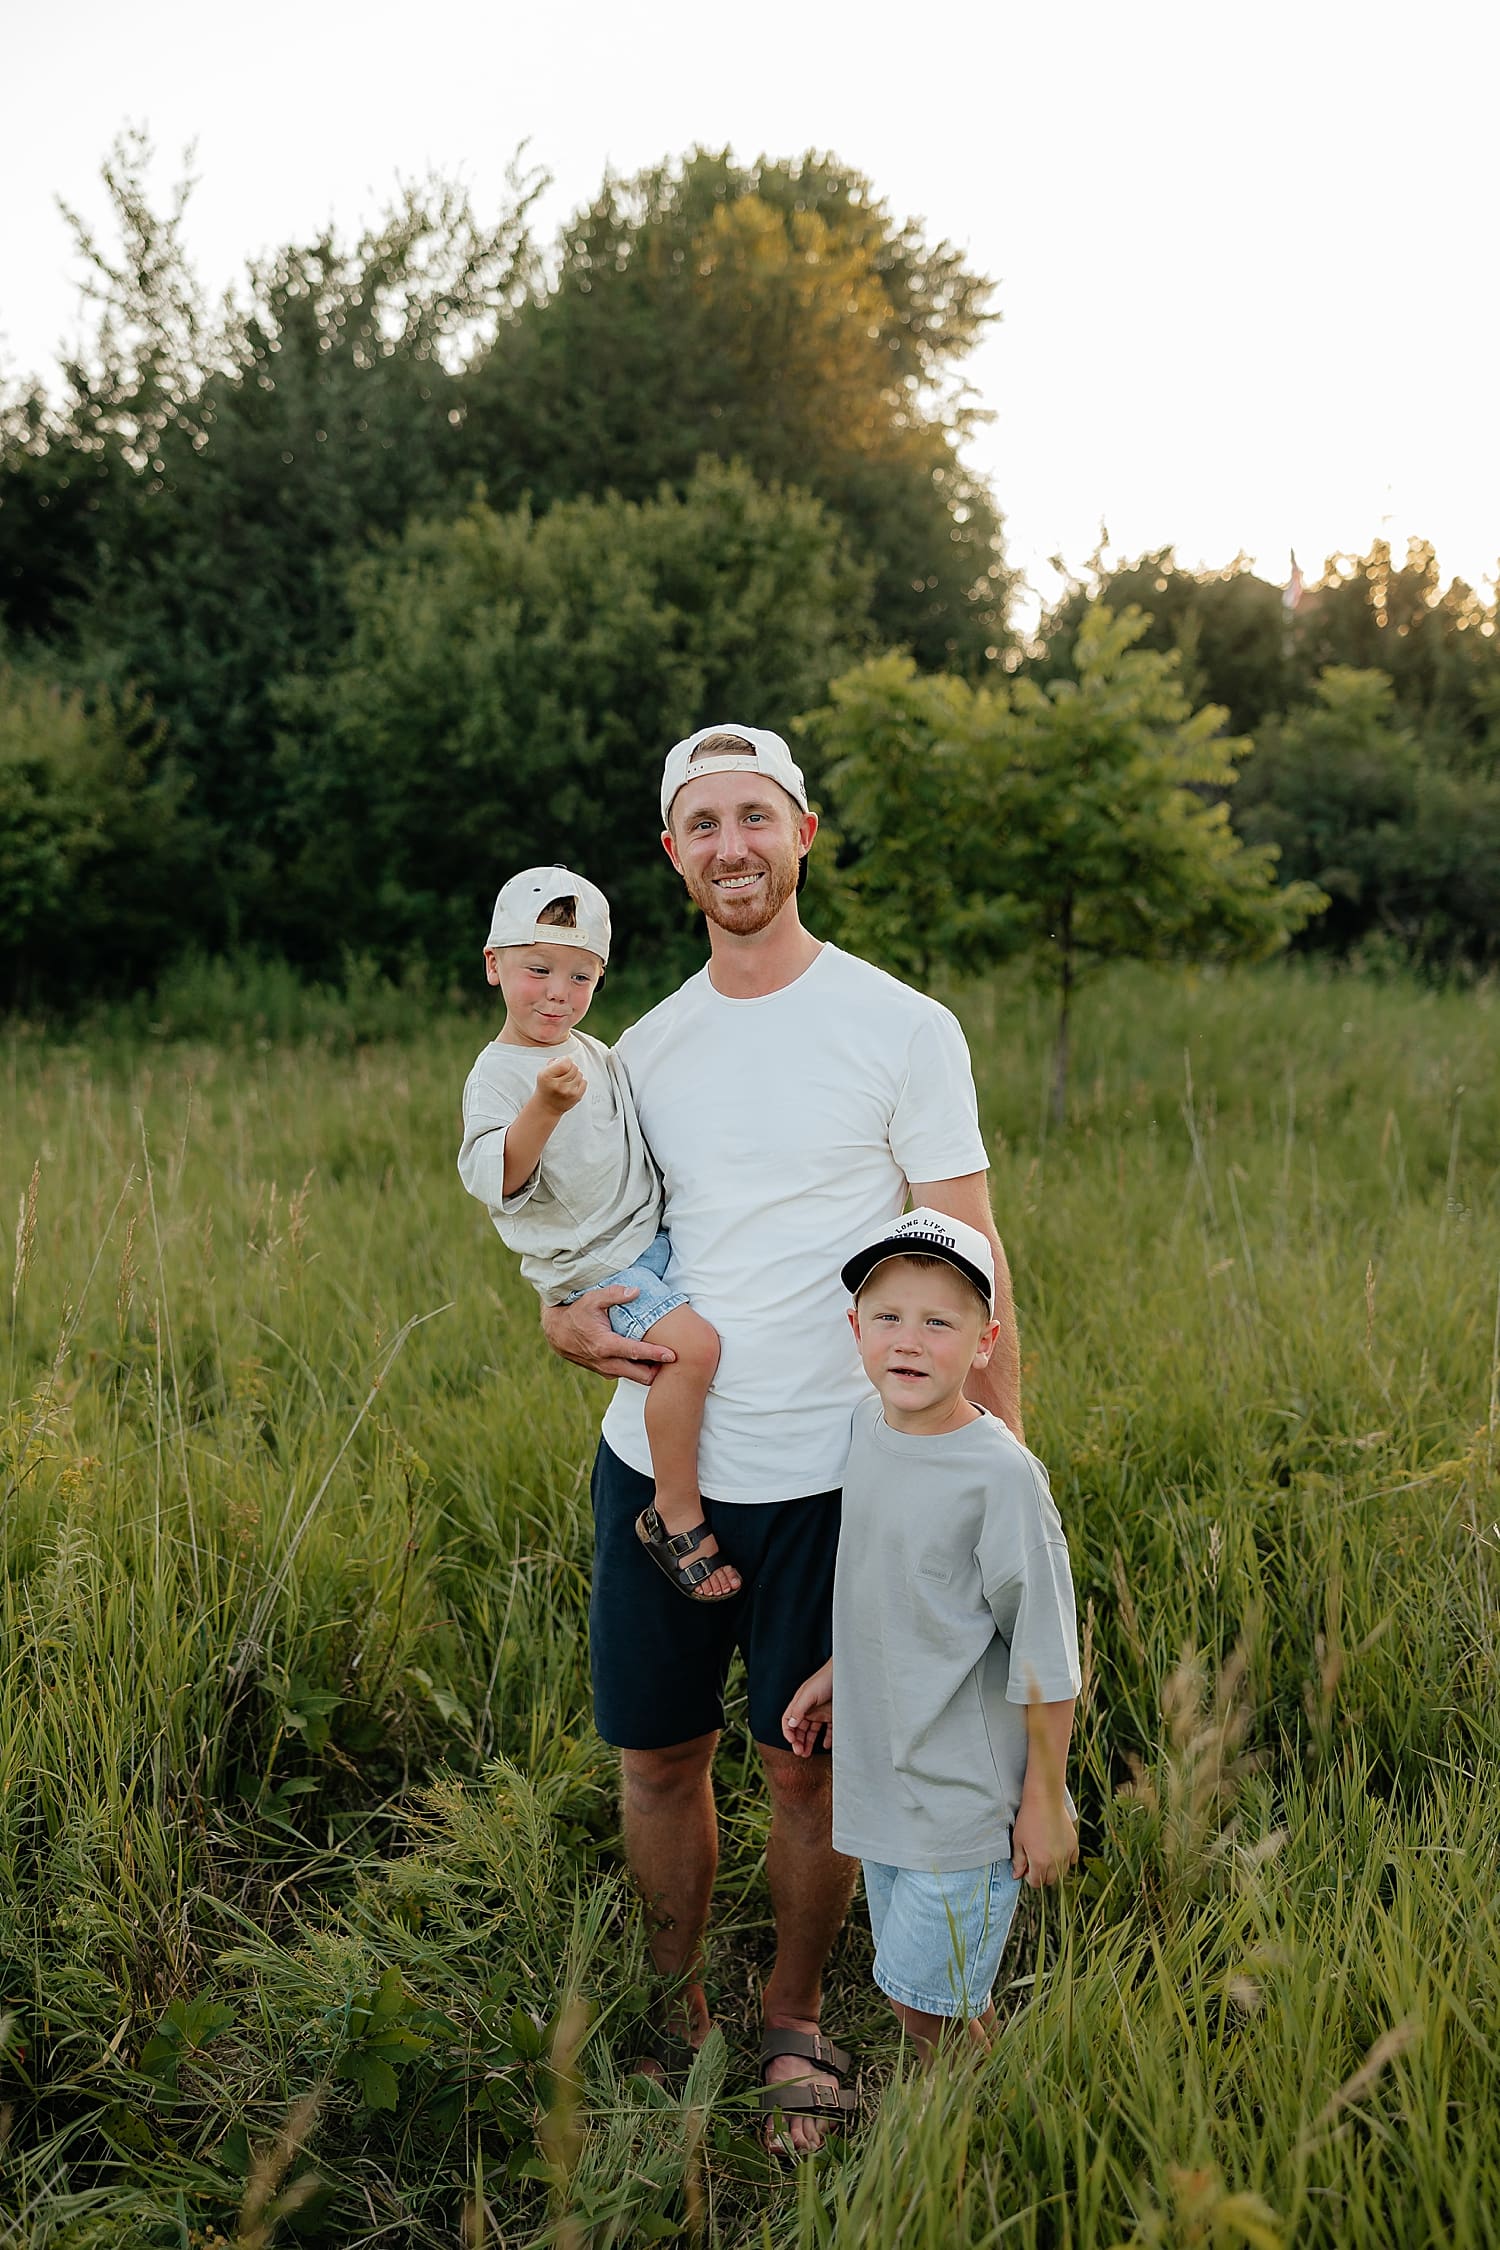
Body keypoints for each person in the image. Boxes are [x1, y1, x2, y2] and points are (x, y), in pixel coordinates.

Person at [538, 722, 1024, 2150]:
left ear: (803, 834)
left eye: (758, 815)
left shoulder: (902, 1027)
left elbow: (976, 1261)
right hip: (663, 1468)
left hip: (840, 1477)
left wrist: (993, 1491)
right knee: (657, 1759)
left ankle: (793, 2018)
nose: (732, 844)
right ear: (673, 855)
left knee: (809, 1764)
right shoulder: (643, 1053)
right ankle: (678, 2018)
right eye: (704, 822)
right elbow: (597, 1249)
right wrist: (564, 1318)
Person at [781, 1208, 1080, 2064]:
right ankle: (976, 2119)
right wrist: (841, 1670)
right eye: (889, 1317)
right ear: (855, 1330)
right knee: (922, 1998)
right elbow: (902, 1594)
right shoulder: (866, 1435)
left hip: (963, 1801)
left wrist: (1042, 1797)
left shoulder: (999, 1477)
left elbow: (1047, 1652)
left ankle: (958, 2152)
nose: (909, 1341)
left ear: (985, 1341)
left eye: (939, 1322)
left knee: (926, 2010)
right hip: (887, 1779)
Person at [458, 864, 739, 1600]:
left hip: (647, 1240)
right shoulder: (499, 1076)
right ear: (495, 966)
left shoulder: (593, 1051)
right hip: (593, 1267)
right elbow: (499, 1176)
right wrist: (542, 1109)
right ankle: (673, 1512)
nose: (558, 992)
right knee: (694, 1350)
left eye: (581, 976)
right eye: (539, 969)